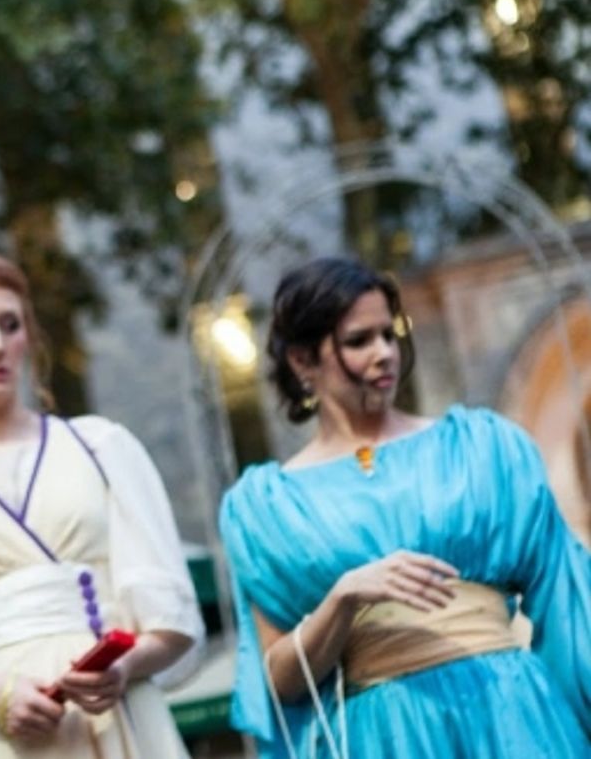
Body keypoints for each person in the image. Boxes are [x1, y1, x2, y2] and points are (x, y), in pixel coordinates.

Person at [220, 256, 591, 758]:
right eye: (359, 341)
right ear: (303, 361)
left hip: (512, 718)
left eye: (388, 334)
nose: (385, 354)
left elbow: (568, 601)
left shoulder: (482, 449)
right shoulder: (267, 507)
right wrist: (342, 600)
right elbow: (281, 682)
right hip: (387, 737)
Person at [0, 251, 203, 758]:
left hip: (114, 722)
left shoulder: (102, 448)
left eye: (11, 324)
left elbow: (173, 618)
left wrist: (124, 667)